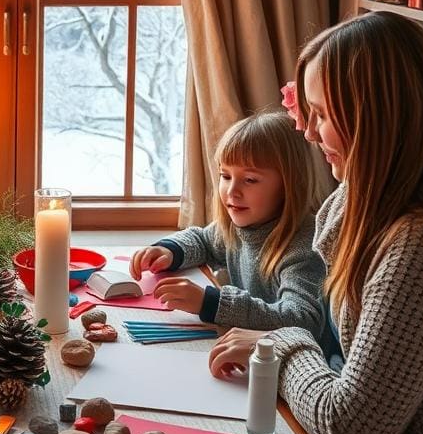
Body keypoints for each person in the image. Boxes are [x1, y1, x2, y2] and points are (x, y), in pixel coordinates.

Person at [209, 11, 423, 434]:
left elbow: (352, 427)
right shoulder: (356, 202)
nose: (306, 132)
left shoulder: (416, 245)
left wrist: (281, 344)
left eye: (322, 115)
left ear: (373, 119)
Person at [129, 110, 325, 336]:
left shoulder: (304, 248)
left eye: (250, 180)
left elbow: (302, 320)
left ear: (290, 184)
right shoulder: (240, 227)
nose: (232, 191)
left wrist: (211, 303)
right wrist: (169, 251)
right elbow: (202, 240)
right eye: (225, 176)